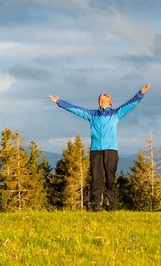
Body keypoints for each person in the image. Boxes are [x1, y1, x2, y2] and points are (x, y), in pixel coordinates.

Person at [49, 82, 151, 211]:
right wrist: (59, 101)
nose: (102, 101)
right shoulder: (92, 115)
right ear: (99, 101)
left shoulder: (116, 114)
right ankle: (96, 207)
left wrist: (140, 93)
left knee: (110, 179)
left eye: (105, 99)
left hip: (111, 151)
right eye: (101, 99)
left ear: (110, 101)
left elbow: (130, 105)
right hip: (95, 151)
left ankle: (111, 206)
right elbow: (75, 109)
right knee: (96, 179)